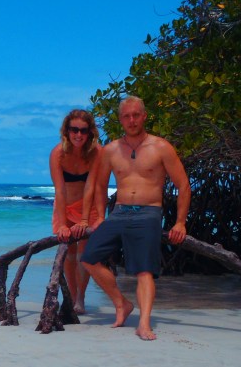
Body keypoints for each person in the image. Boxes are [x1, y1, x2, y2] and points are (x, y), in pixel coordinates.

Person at [80, 96, 191, 340]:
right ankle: (121, 303)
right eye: (127, 116)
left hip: (148, 212)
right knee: (89, 258)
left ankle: (144, 324)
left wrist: (180, 222)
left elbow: (183, 185)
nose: (132, 120)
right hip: (119, 212)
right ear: (120, 120)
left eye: (136, 115)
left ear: (144, 116)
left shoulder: (161, 147)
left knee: (144, 270)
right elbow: (100, 185)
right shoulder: (110, 150)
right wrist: (100, 216)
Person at [49, 109, 103, 314]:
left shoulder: (96, 152)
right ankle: (71, 297)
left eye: (83, 130)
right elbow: (60, 190)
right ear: (67, 131)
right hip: (65, 206)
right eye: (74, 130)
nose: (79, 135)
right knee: (68, 253)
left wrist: (85, 220)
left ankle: (81, 297)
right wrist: (63, 224)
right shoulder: (58, 154)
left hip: (88, 208)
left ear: (90, 132)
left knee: (83, 254)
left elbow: (91, 186)